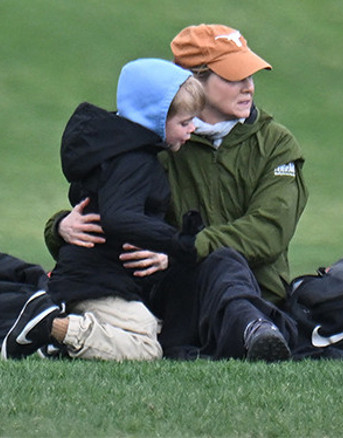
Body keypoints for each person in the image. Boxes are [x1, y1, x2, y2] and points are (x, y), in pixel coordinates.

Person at [45, 25, 310, 361]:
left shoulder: (275, 144)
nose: (249, 87)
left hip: (256, 295)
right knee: (216, 263)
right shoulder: (158, 139)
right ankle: (250, 335)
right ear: (191, 80)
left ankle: (255, 330)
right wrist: (59, 227)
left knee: (222, 262)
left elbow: (269, 231)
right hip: (172, 293)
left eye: (250, 76)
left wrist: (187, 248)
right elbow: (113, 211)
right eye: (233, 77)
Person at [3, 58, 203, 361]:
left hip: (95, 277)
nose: (192, 129)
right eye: (184, 123)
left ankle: (54, 336)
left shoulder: (114, 151)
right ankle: (53, 329)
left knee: (152, 326)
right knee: (145, 347)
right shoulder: (135, 162)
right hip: (94, 282)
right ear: (157, 117)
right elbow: (118, 217)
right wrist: (175, 240)